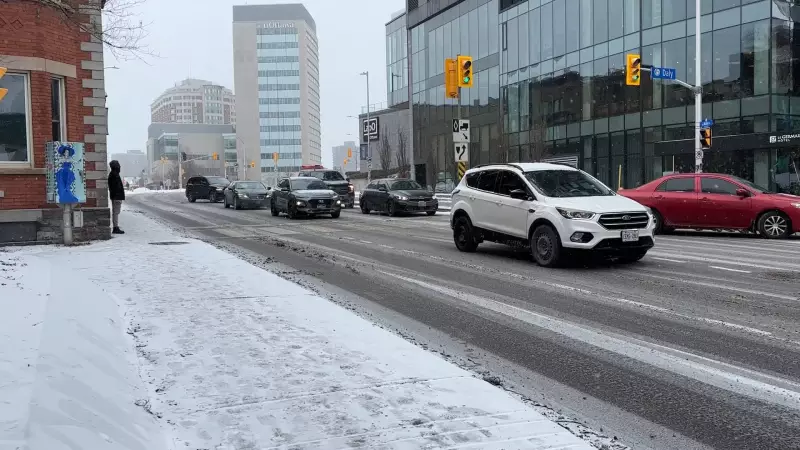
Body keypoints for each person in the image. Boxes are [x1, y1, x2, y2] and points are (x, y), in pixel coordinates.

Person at [108, 160, 125, 234]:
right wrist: (118, 197)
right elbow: (116, 187)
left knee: (116, 212)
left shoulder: (113, 174)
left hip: (115, 196)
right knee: (116, 212)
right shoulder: (115, 175)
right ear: (116, 166)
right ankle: (115, 227)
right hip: (116, 197)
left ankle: (116, 227)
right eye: (118, 165)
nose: (120, 166)